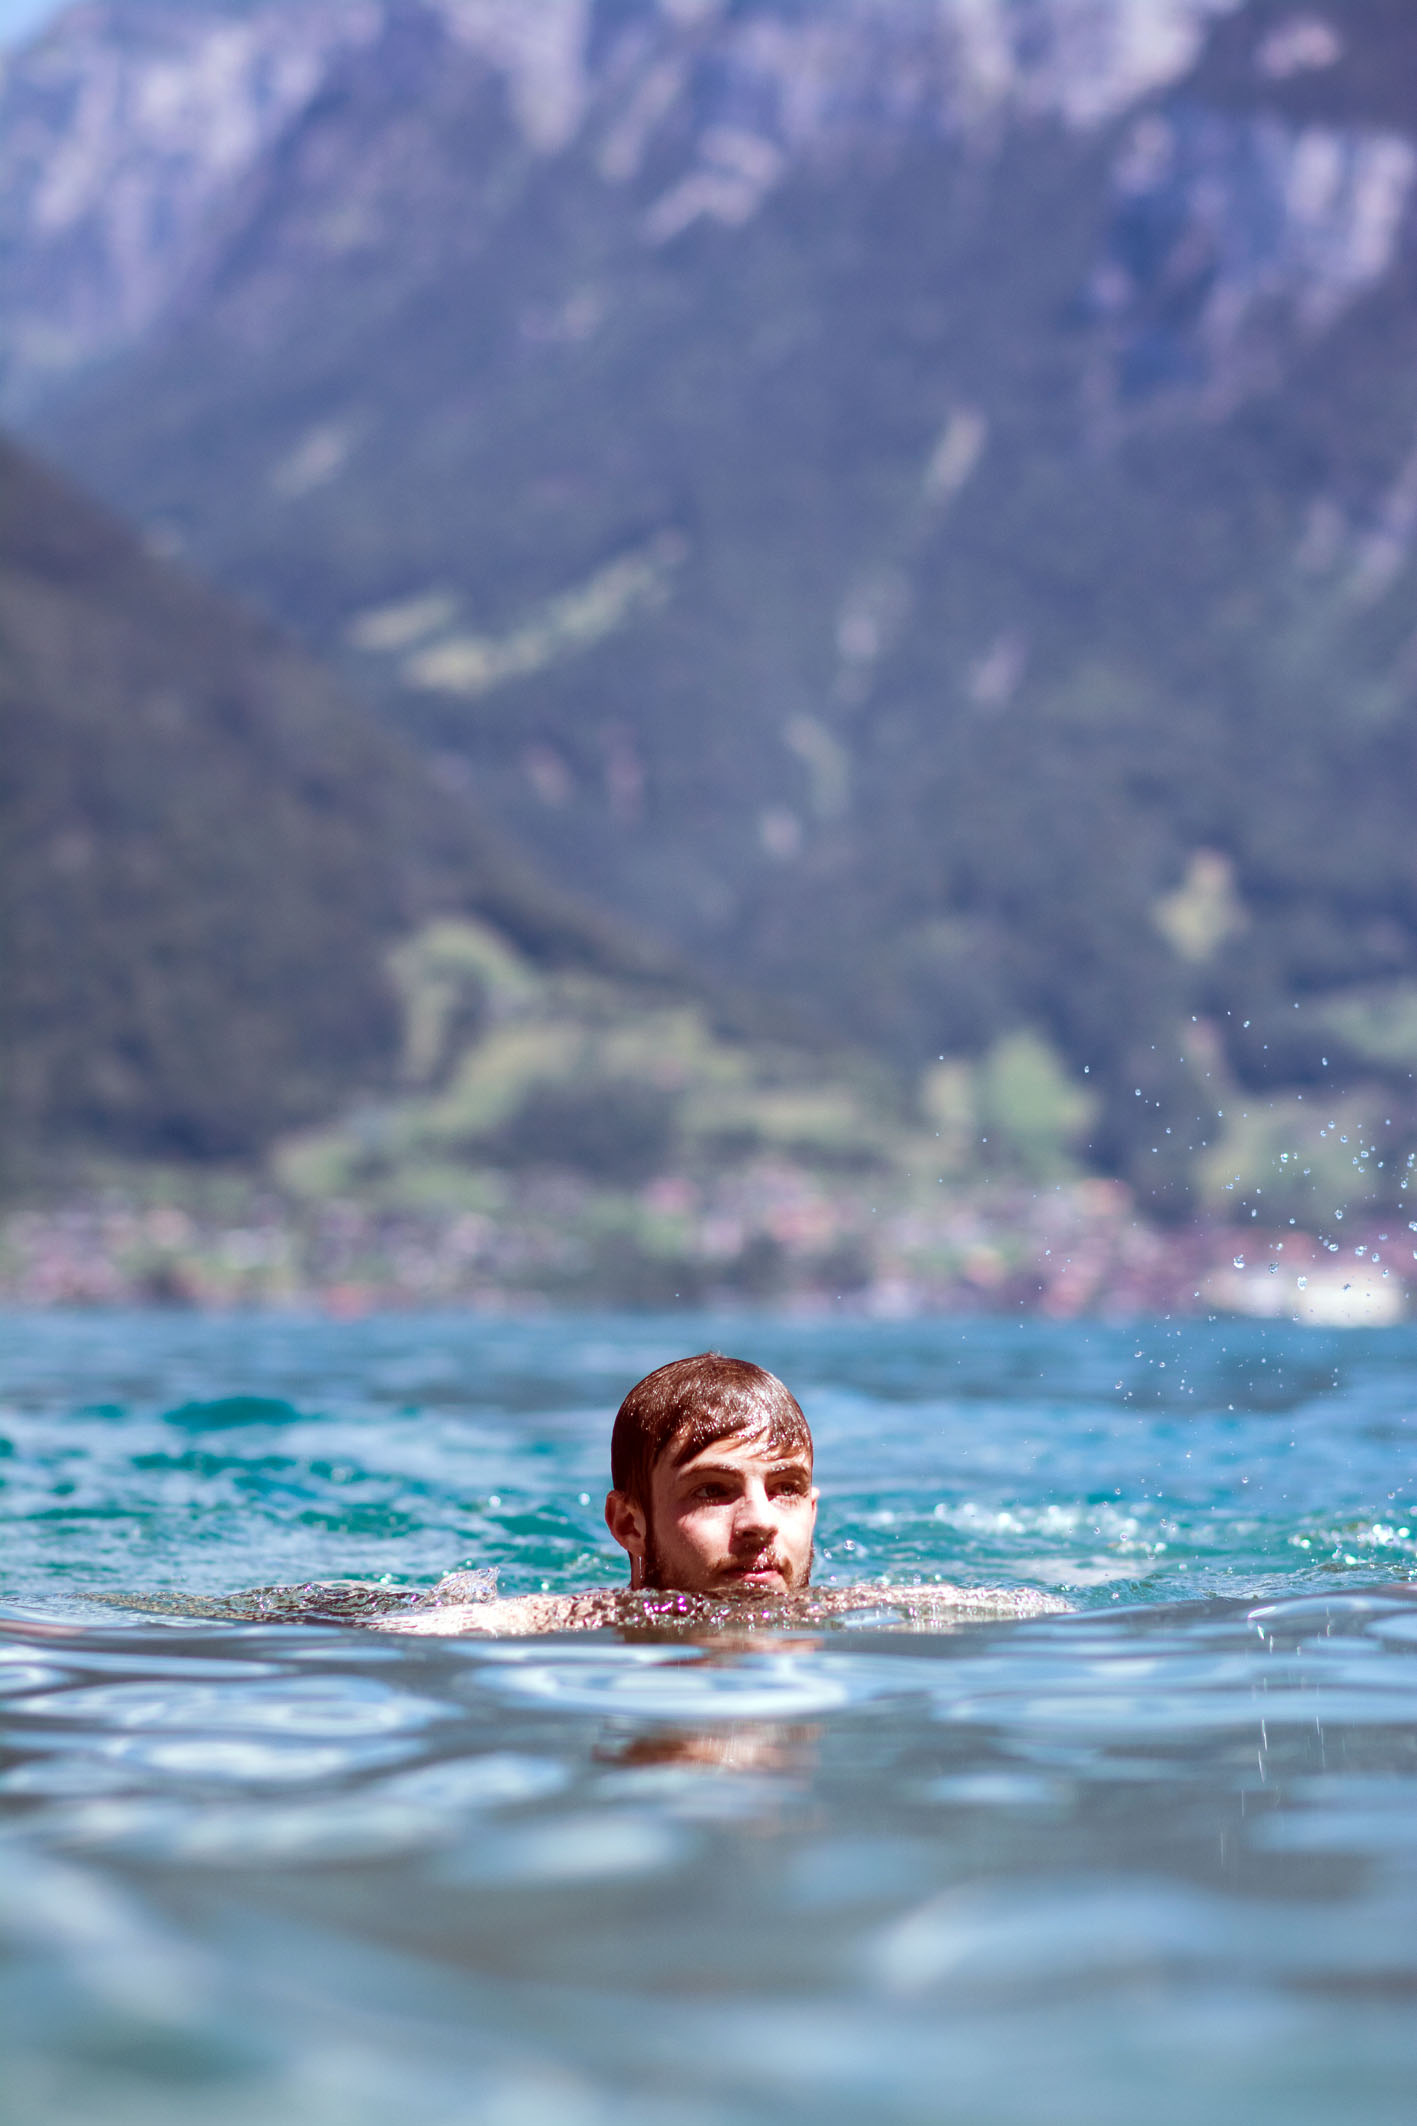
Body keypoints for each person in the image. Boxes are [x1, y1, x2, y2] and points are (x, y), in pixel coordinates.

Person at [373, 1352, 1064, 1636]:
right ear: (629, 1525)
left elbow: (1044, 1611)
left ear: (813, 1511)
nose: (760, 1522)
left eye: (786, 1489)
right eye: (712, 1490)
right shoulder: (577, 1620)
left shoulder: (871, 1608)